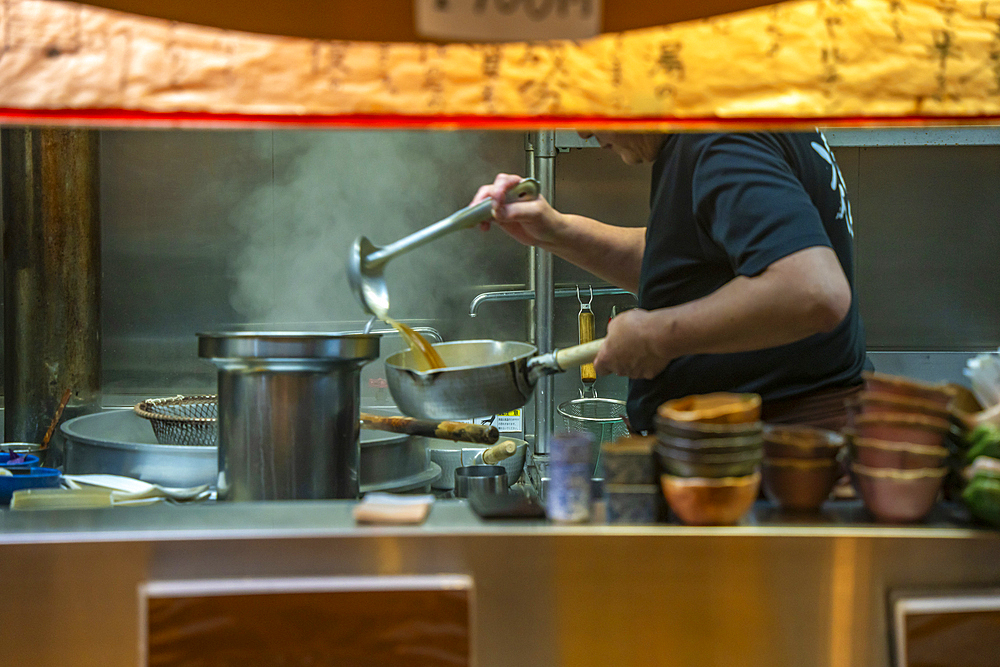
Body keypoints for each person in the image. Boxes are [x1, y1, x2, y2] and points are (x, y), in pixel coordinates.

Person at [472, 131, 867, 433]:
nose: (582, 131)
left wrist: (655, 335)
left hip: (763, 459)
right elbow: (693, 263)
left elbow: (813, 292)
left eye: (588, 102)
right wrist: (554, 231)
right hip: (752, 445)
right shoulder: (723, 124)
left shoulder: (720, 140)